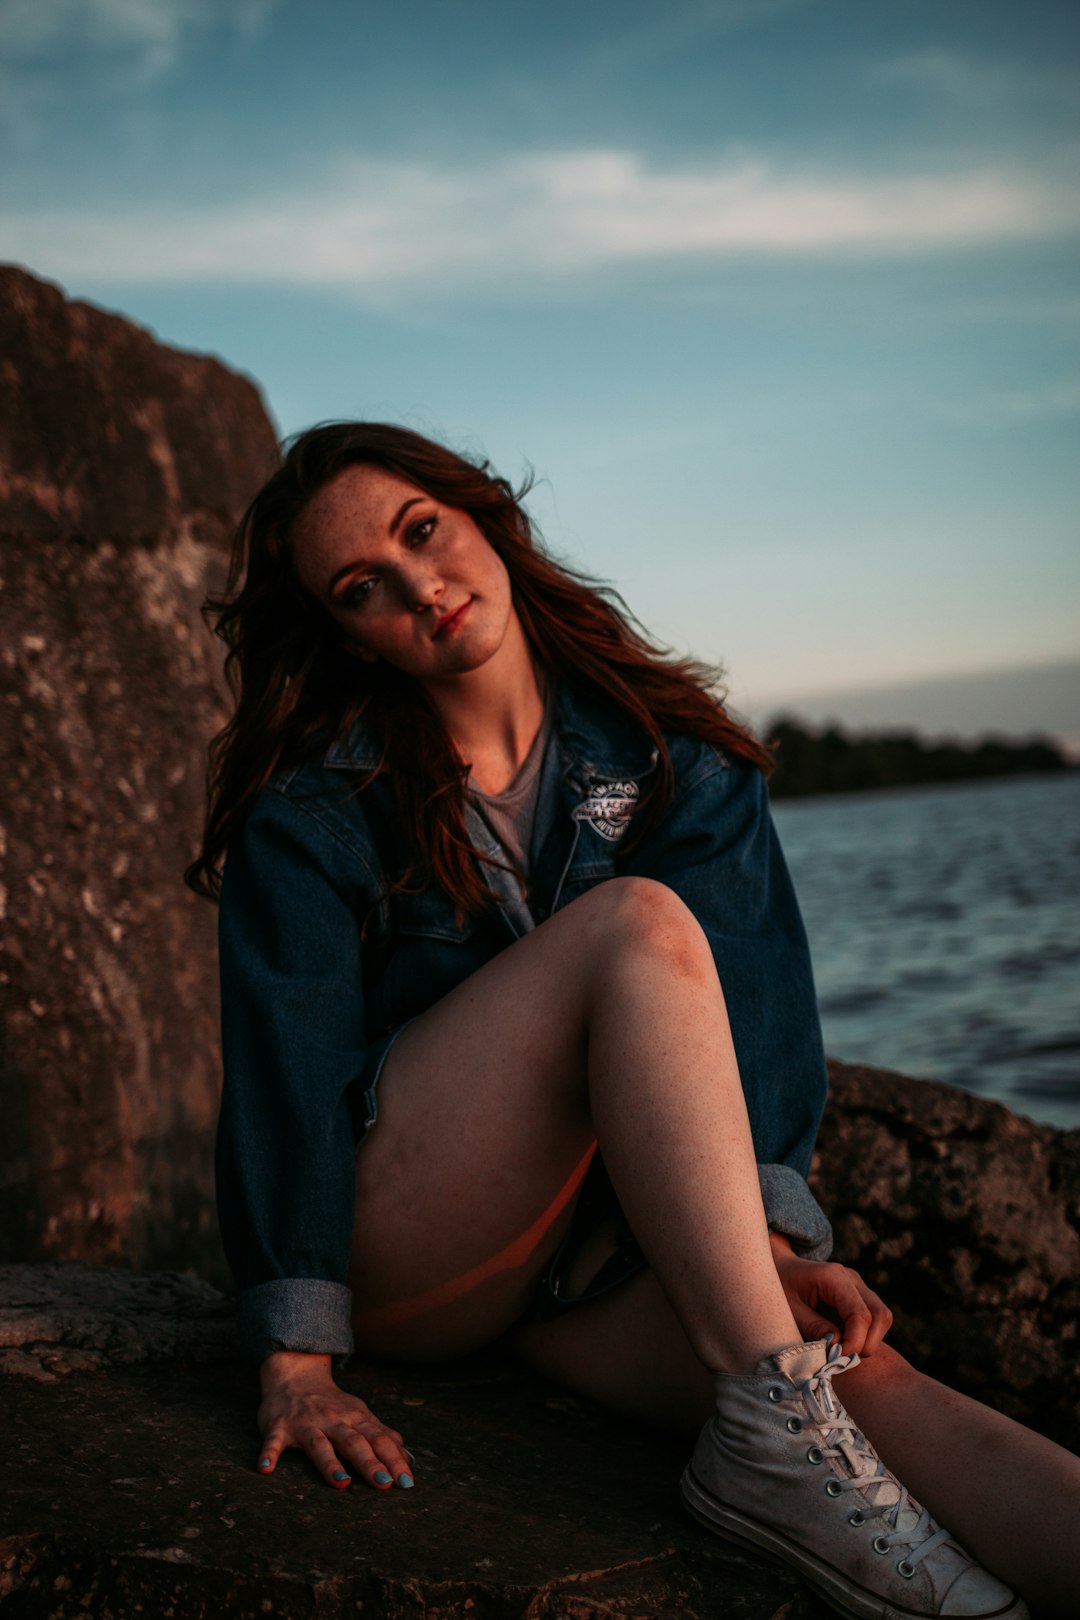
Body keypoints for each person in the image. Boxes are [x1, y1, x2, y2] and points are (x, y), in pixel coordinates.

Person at [188, 422, 1080, 1620]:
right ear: (342, 631)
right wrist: (295, 1364)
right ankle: (768, 1437)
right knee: (635, 927)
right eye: (366, 589)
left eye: (423, 532)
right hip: (409, 1248)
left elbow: (757, 1013)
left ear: (485, 515)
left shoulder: (674, 756)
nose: (421, 588)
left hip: (584, 1264)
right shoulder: (319, 807)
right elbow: (284, 1074)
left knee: (865, 1378)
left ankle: (794, 1447)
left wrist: (764, 1252)